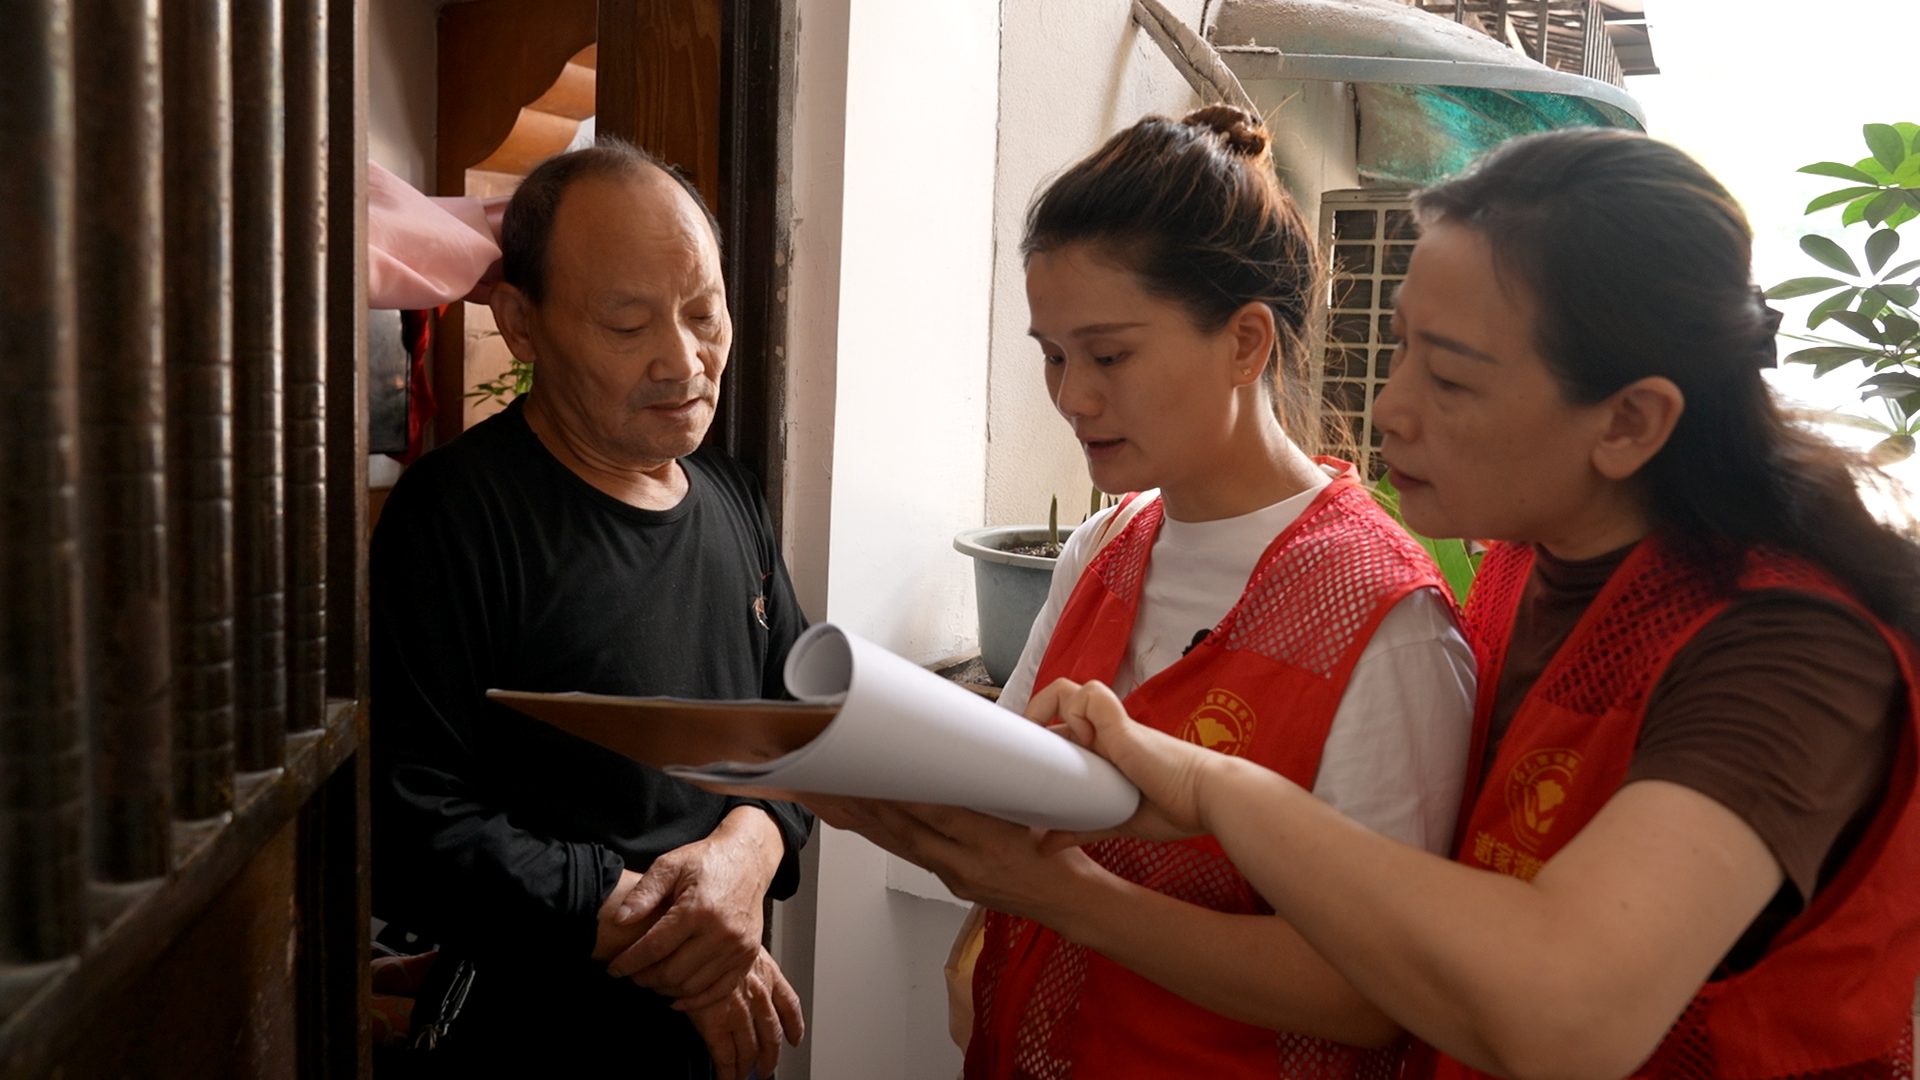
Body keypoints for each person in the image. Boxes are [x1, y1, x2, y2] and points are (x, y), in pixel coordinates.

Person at [1028, 127, 1920, 1080]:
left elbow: (1567, 1011)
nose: (1390, 409)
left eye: (1450, 377)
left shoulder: (1791, 652)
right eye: (1403, 346)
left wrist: (1215, 791)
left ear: (1629, 422)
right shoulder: (1524, 564)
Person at [821, 105, 1478, 1079]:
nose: (1072, 397)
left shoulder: (1388, 621)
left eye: (1110, 355)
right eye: (1052, 355)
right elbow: (1006, 807)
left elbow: (1366, 995)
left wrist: (1065, 898)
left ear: (1246, 343)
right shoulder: (1105, 546)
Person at [371, 142, 809, 1080]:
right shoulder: (457, 515)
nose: (683, 360)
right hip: (529, 1035)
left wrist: (744, 858)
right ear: (520, 324)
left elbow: (802, 724)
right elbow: (414, 826)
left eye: (704, 312)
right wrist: (687, 939)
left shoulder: (730, 495)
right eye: (626, 324)